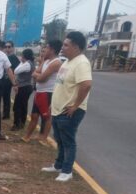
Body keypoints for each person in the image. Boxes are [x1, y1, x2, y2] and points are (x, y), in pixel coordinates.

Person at [41, 32, 92, 182]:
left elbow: (86, 84)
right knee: (59, 139)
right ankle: (58, 165)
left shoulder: (81, 63)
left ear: (76, 47)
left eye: (66, 45)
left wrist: (75, 106)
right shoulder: (68, 62)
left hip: (69, 111)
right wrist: (53, 104)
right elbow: (60, 85)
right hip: (58, 109)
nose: (62, 48)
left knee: (68, 141)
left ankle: (67, 170)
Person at [22, 40, 63, 143]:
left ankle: (43, 138)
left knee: (46, 116)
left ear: (52, 50)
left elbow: (41, 78)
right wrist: (38, 75)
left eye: (47, 48)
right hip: (40, 92)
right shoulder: (46, 61)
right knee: (34, 115)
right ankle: (27, 136)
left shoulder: (56, 63)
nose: (45, 50)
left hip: (48, 93)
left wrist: (37, 75)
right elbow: (35, 73)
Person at [12, 49, 35, 130]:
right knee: (23, 105)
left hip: (24, 87)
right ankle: (22, 122)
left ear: (24, 56)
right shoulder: (29, 63)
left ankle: (17, 124)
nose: (21, 57)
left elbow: (16, 70)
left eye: (22, 55)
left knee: (17, 106)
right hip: (26, 87)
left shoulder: (27, 64)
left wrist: (22, 62)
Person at [1, 41, 20, 119]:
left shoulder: (13, 57)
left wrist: (14, 81)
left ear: (12, 48)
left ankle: (6, 114)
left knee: (6, 96)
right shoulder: (4, 56)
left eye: (9, 47)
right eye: (6, 47)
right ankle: (5, 112)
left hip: (8, 80)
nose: (7, 49)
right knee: (3, 96)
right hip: (2, 79)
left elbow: (17, 69)